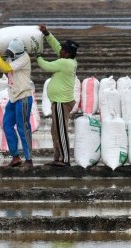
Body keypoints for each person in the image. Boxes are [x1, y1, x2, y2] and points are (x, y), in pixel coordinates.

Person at [0, 38, 33, 168]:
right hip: (13, 97)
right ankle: (15, 157)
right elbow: (5, 68)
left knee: (23, 128)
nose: (10, 55)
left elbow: (5, 67)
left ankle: (29, 159)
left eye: (12, 53)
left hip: (23, 97)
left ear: (18, 52)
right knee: (6, 125)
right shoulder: (12, 58)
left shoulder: (24, 59)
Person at [36, 24, 79, 167]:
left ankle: (65, 160)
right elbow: (56, 46)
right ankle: (57, 158)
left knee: (61, 131)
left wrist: (38, 55)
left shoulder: (64, 63)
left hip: (62, 102)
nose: (60, 50)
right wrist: (47, 34)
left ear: (66, 53)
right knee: (55, 131)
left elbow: (45, 66)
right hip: (58, 102)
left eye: (63, 50)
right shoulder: (67, 60)